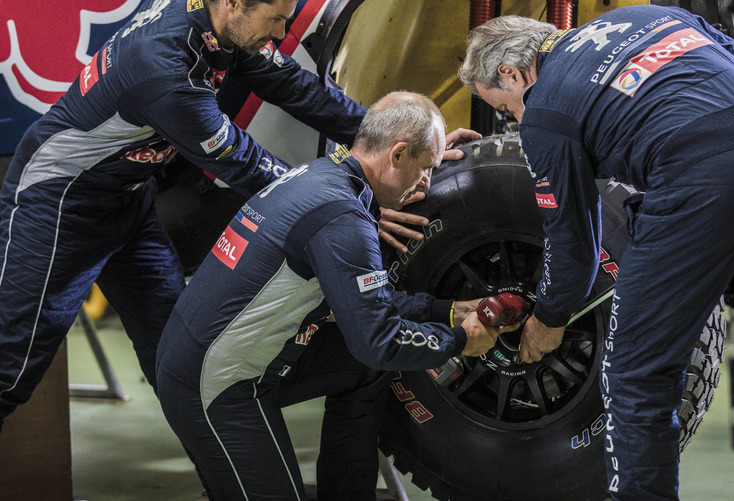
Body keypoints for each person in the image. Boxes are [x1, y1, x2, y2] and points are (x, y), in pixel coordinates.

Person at [0, 0, 465, 430]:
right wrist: (350, 206)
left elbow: (300, 90)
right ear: (235, 1)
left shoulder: (209, 15)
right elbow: (250, 167)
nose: (282, 33)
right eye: (277, 20)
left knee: (177, 363)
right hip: (58, 203)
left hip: (129, 199)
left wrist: (398, 142)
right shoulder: (166, 74)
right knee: (11, 368)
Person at [458, 5, 734, 500]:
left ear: (511, 73)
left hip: (698, 180)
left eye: (505, 106)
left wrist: (547, 320)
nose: (515, 117)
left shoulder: (546, 108)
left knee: (637, 375)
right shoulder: (649, 15)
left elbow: (574, 241)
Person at [155, 91, 515, 500]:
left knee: (364, 368)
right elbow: (378, 340)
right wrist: (461, 340)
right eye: (427, 168)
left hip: (218, 353)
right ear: (397, 154)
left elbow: (361, 304)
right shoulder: (343, 218)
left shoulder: (323, 175)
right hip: (214, 384)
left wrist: (445, 311)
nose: (428, 183)